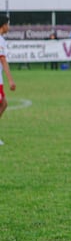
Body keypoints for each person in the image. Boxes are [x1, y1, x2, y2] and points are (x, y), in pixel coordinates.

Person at [0, 16, 17, 145]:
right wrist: (10, 80)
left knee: (4, 104)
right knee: (3, 104)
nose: (9, 27)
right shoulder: (0, 40)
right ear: (3, 25)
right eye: (8, 24)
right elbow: (3, 60)